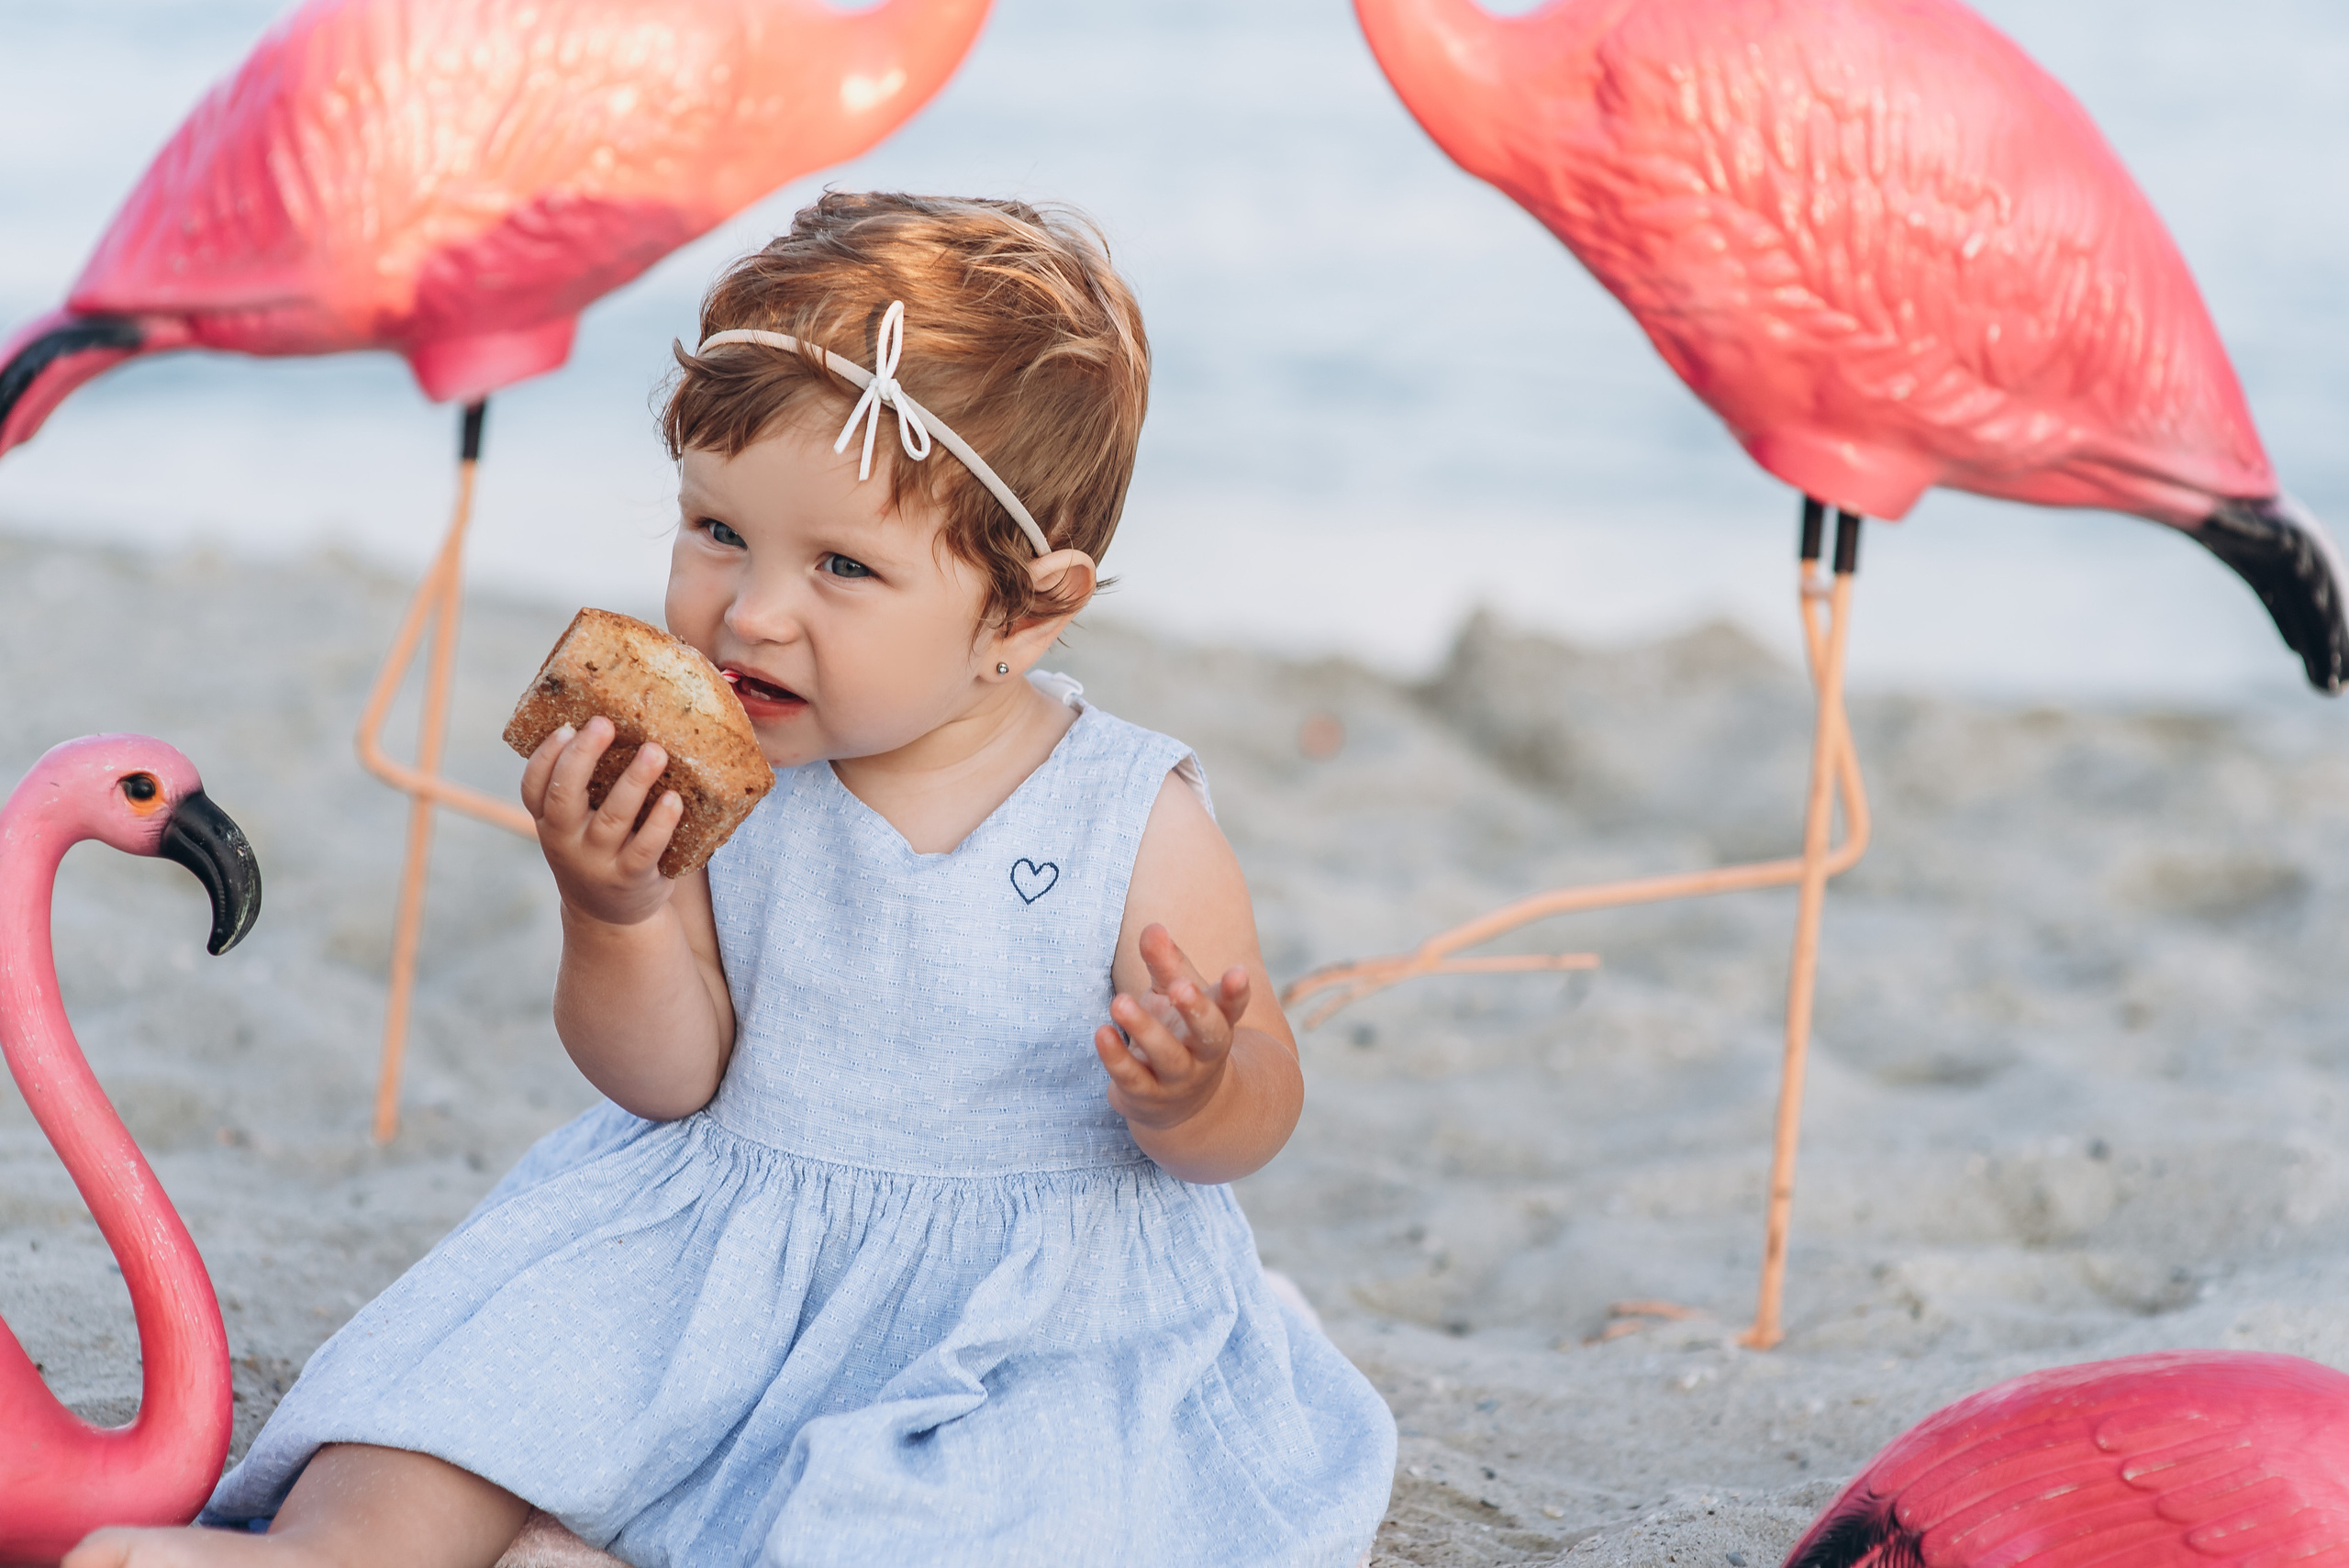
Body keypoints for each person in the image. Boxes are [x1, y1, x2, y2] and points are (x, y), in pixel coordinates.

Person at [71, 192, 1396, 1568]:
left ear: (1025, 609)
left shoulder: (1132, 812)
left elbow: (1260, 1104)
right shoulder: (722, 786)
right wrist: (616, 909)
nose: (751, 611)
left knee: (991, 1505)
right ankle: (336, 1554)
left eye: (840, 565)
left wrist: (1200, 1087)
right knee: (467, 1387)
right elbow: (666, 1075)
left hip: (1017, 1299)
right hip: (721, 1247)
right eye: (716, 530)